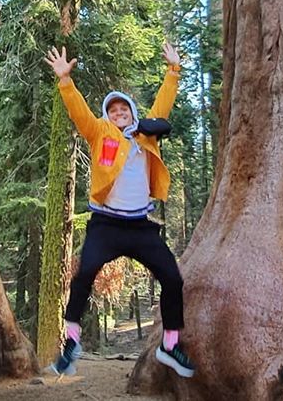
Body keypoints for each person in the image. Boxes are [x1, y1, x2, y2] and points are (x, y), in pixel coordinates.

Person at [42, 41, 197, 379]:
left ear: (132, 112)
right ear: (106, 116)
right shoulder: (100, 134)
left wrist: (174, 71)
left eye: (123, 109)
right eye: (112, 111)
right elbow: (79, 112)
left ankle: (170, 345)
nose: (119, 114)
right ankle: (71, 344)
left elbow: (163, 106)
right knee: (84, 274)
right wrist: (65, 81)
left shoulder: (146, 136)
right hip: (106, 225)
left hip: (141, 226)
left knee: (172, 277)